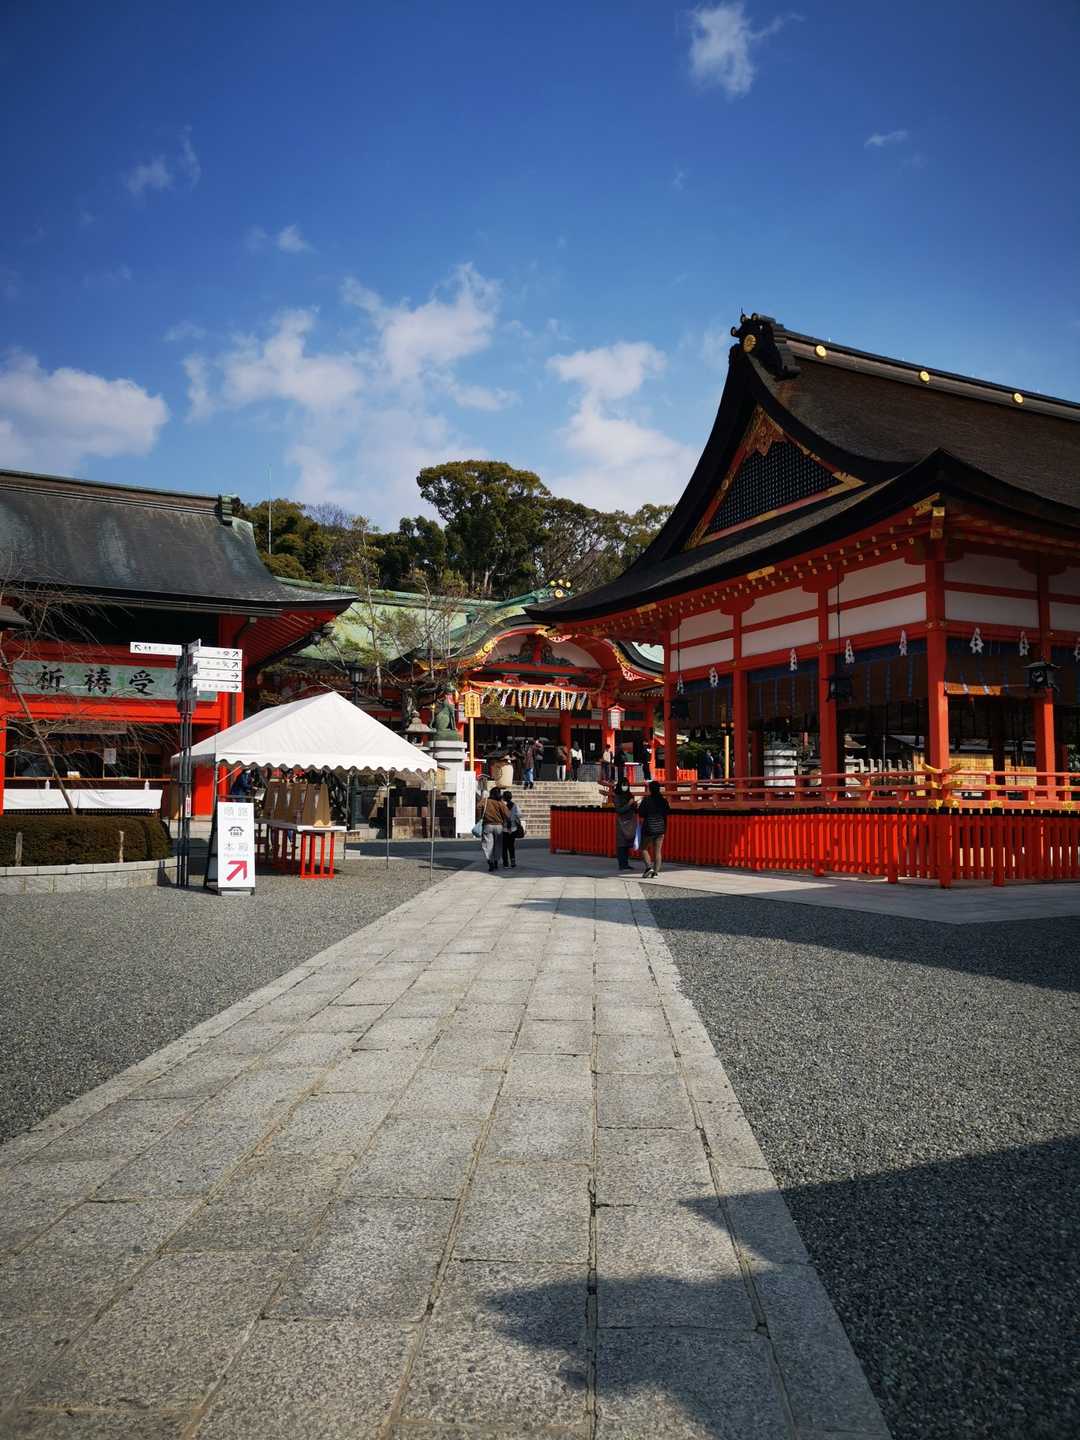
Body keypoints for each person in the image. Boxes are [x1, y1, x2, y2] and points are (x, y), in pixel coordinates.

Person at [637, 779, 671, 879]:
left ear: (650, 789)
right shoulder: (663, 800)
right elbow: (667, 812)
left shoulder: (646, 800)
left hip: (649, 827)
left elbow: (641, 813)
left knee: (643, 848)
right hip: (661, 828)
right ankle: (655, 873)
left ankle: (648, 868)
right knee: (657, 851)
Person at [477, 786, 509, 872]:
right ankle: (496, 861)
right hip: (499, 826)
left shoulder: (485, 801)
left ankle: (490, 861)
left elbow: (478, 807)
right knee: (498, 845)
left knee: (488, 845)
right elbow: (507, 814)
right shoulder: (500, 802)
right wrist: (505, 821)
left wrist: (480, 817)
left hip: (487, 825)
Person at [612, 777, 638, 871]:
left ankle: (626, 863)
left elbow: (633, 808)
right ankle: (622, 864)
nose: (625, 787)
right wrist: (629, 804)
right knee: (621, 844)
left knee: (627, 844)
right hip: (621, 822)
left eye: (626, 785)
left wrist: (634, 804)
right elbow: (619, 810)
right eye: (623, 785)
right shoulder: (617, 796)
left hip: (630, 821)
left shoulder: (629, 795)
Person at [501, 787, 522, 868]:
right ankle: (513, 862)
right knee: (511, 846)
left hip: (504, 829)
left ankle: (505, 863)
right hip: (513, 829)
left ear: (504, 798)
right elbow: (519, 815)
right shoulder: (515, 805)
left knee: (504, 847)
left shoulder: (502, 806)